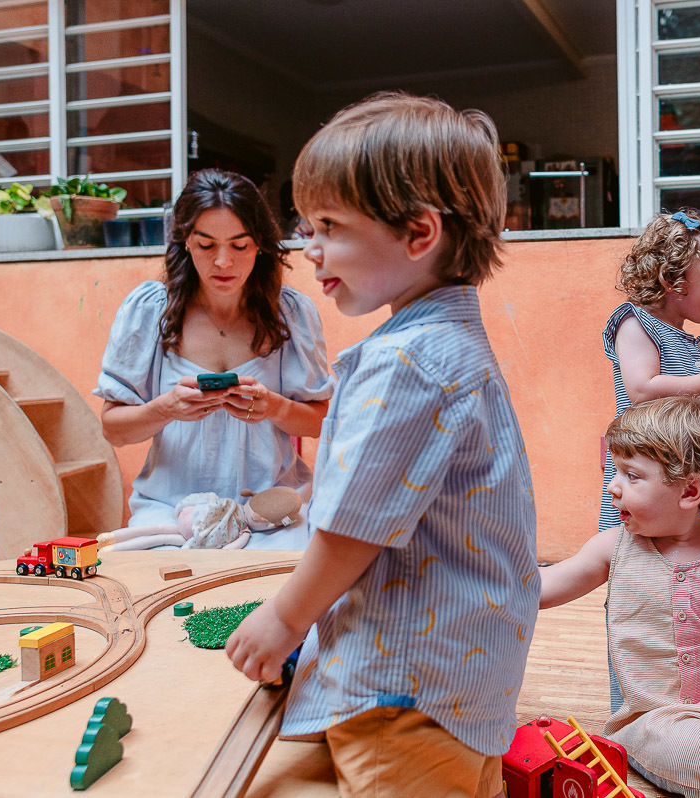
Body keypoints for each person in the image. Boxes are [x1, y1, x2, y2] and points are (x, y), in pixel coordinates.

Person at [224, 92, 538, 798]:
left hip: (403, 685)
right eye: (307, 226)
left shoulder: (411, 363)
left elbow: (352, 528)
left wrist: (284, 618)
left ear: (419, 232)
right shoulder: (451, 343)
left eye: (329, 226)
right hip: (456, 674)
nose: (308, 248)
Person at [541, 395, 700, 798]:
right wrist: (489, 586)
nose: (614, 486)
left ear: (690, 491)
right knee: (685, 752)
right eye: (615, 471)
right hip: (658, 718)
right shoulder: (613, 548)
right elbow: (549, 585)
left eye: (632, 475)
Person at [94, 168, 333, 530]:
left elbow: (319, 421)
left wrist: (273, 406)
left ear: (260, 245)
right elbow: (113, 429)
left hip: (269, 512)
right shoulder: (148, 311)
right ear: (185, 241)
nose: (223, 262)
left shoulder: (291, 314)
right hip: (170, 514)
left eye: (239, 245)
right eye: (206, 245)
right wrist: (167, 408)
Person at [600, 209, 700, 534]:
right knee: (645, 560)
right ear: (671, 278)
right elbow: (642, 390)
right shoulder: (636, 324)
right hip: (653, 472)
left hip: (695, 473)